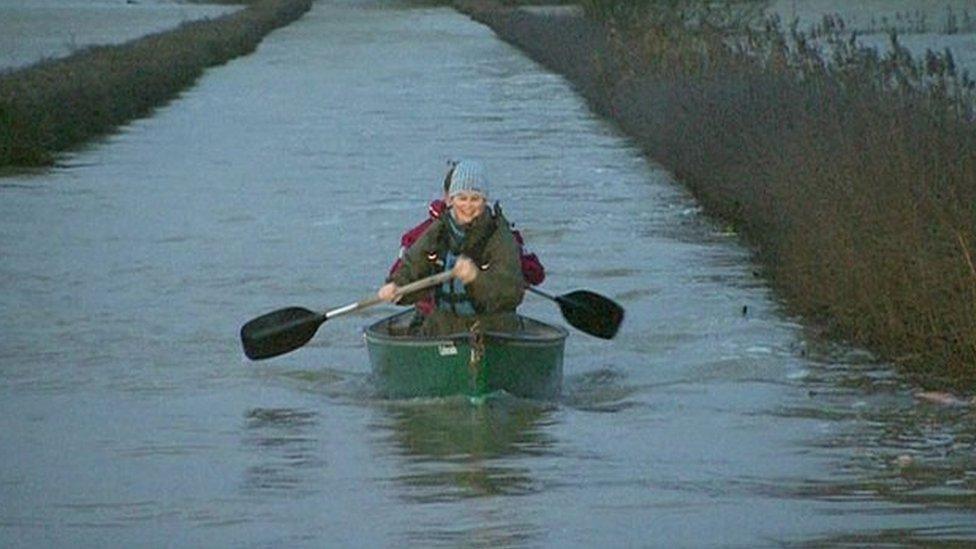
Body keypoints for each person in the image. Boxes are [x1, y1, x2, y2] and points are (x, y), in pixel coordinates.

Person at [378, 160, 524, 335]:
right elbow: (412, 267)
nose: (468, 206)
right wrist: (397, 288)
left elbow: (510, 294)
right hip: (444, 325)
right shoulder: (438, 231)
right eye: (462, 198)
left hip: (491, 328)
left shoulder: (499, 236)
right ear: (451, 200)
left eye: (475, 199)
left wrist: (475, 278)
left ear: (485, 201)